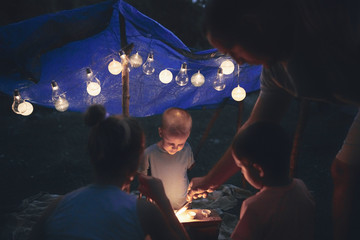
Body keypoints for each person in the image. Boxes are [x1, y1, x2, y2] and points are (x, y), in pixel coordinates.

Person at [187, 0, 360, 239]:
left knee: (346, 173)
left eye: (233, 50)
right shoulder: (276, 72)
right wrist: (209, 181)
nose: (237, 61)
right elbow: (255, 127)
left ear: (252, 25)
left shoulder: (328, 22)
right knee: (343, 171)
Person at [28, 104, 190, 240]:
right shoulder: (142, 212)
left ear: (92, 153)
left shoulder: (56, 207)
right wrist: (163, 203)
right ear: (136, 160)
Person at [231, 121, 315, 240]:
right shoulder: (302, 188)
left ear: (258, 169)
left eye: (241, 167)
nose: (241, 172)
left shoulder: (254, 207)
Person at [138, 107, 194, 210]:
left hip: (183, 204)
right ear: (161, 132)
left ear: (188, 135)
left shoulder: (186, 149)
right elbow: (142, 178)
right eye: (171, 143)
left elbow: (189, 167)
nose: (176, 148)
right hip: (159, 206)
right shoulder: (150, 153)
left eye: (180, 143)